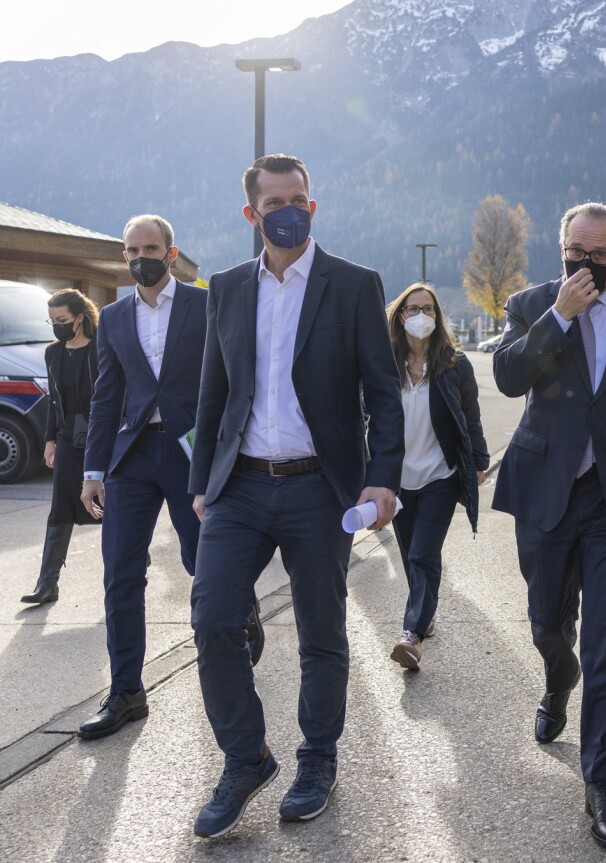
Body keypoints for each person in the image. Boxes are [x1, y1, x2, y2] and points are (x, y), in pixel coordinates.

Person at [187, 154, 404, 838]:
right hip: (239, 486)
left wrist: (383, 475)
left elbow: (382, 391)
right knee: (213, 618)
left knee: (320, 630)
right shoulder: (225, 287)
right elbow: (212, 391)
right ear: (252, 213)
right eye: (274, 200)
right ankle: (246, 757)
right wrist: (201, 484)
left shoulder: (353, 284)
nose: (290, 209)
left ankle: (317, 759)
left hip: (320, 486)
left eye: (299, 198)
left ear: (312, 204)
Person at [492, 201, 606, 849]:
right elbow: (508, 376)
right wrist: (559, 317)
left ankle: (602, 777)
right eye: (575, 249)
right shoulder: (531, 303)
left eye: (599, 256)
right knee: (548, 622)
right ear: (562, 244)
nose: (585, 264)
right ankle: (556, 678)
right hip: (545, 487)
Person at [77, 215, 222, 740]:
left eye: (152, 247)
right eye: (133, 249)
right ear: (124, 256)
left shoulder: (206, 305)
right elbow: (106, 396)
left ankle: (238, 610)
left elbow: (230, 381)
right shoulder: (113, 318)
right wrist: (94, 469)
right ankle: (126, 691)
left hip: (191, 453)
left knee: (203, 559)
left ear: (171, 252)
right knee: (120, 572)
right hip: (132, 456)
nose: (142, 256)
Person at [385, 282, 489, 671]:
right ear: (400, 316)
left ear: (438, 317)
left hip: (440, 476)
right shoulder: (385, 362)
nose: (421, 317)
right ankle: (425, 614)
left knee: (424, 554)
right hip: (396, 480)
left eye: (428, 309)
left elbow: (471, 417)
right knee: (411, 555)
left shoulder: (454, 364)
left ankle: (411, 635)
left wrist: (478, 461)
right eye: (412, 309)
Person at [20, 289, 100, 605]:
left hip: (100, 436)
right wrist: (50, 440)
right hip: (69, 438)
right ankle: (47, 583)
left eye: (62, 319)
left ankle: (134, 557)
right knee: (61, 509)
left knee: (111, 506)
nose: (57, 325)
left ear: (80, 318)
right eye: (52, 320)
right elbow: (54, 400)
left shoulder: (100, 350)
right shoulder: (53, 353)